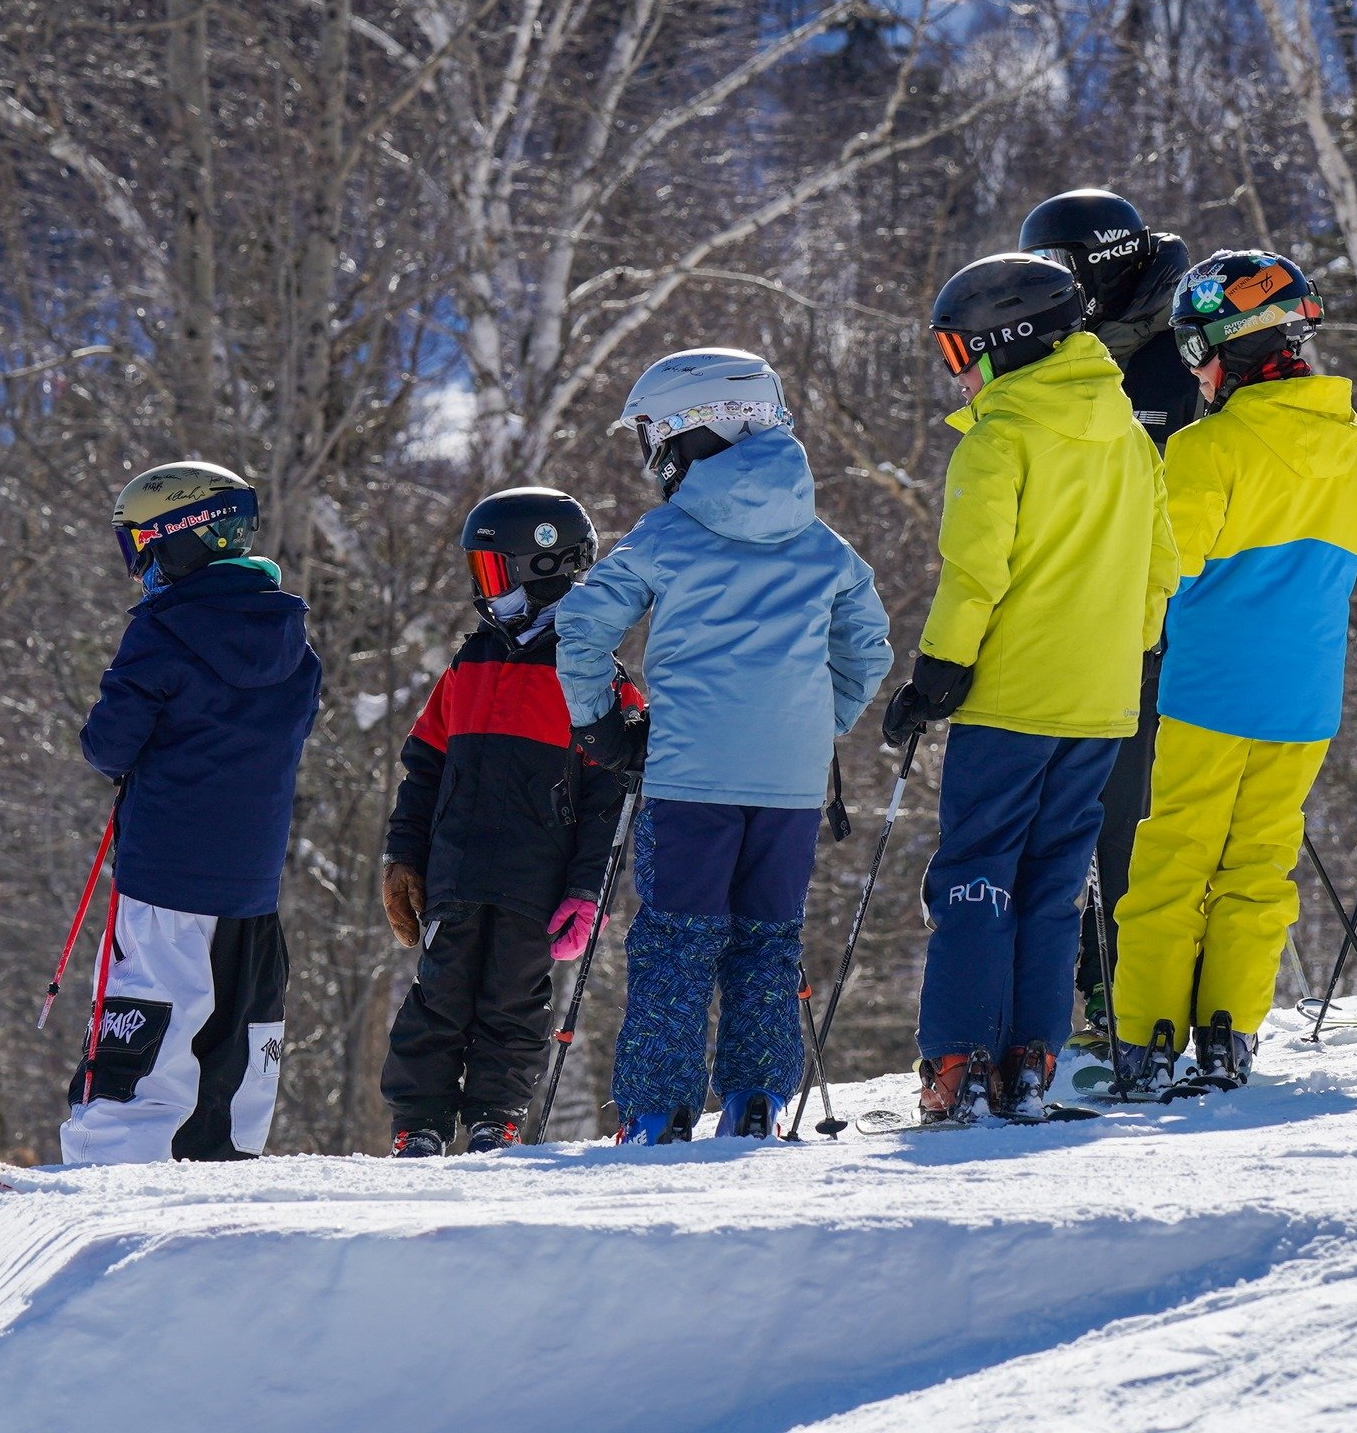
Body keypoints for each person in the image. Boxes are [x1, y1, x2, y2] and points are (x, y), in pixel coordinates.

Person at [554, 348, 892, 1145]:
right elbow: (868, 648)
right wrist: (815, 723)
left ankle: (656, 1115)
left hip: (689, 778)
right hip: (789, 786)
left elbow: (582, 621)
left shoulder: (667, 535)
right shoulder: (821, 544)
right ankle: (754, 1105)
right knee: (766, 942)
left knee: (676, 939)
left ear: (687, 434)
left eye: (651, 437)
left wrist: (599, 722)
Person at [885, 255, 1177, 1124]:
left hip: (1010, 698)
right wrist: (1115, 656)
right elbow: (1160, 569)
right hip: (1099, 702)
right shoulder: (1125, 432)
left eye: (959, 349)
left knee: (978, 875)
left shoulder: (1000, 436)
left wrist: (937, 672)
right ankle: (1029, 1060)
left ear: (1002, 342)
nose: (961, 369)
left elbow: (974, 572)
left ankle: (958, 1061)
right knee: (1054, 884)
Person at [1112, 252, 1357, 1095]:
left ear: (1230, 350)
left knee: (1172, 861)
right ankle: (1228, 1032)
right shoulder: (1351, 457)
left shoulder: (1206, 449)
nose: (1194, 371)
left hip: (1209, 691)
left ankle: (1146, 1034)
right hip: (1303, 700)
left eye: (1195, 352)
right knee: (1259, 867)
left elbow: (1165, 569)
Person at [63, 462, 321, 1165]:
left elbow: (106, 745)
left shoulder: (162, 633)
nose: (139, 563)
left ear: (178, 540)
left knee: (148, 1023)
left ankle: (111, 1166)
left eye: (141, 543)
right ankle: (225, 1162)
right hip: (252, 883)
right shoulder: (294, 644)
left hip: (164, 878)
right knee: (239, 1029)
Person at [380, 487, 639, 1157]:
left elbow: (609, 802)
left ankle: (496, 1113)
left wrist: (587, 892)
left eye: (495, 572)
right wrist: (402, 857)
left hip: (537, 876)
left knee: (511, 1002)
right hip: (455, 868)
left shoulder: (591, 674)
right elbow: (423, 772)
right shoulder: (469, 665)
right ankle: (421, 1119)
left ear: (543, 568)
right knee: (437, 996)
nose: (483, 589)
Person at [1019, 188, 1200, 1038]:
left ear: (1100, 259)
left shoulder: (1182, 342)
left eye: (1059, 266)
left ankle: (1135, 996)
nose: (1050, 286)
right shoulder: (1063, 355)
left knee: (1136, 813)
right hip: (1078, 610)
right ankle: (1093, 989)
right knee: (1077, 813)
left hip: (1173, 612)